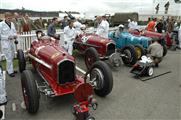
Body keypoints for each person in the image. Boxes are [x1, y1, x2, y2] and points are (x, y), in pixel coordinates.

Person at [0, 12, 17, 77]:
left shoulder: (12, 23)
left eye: (10, 18)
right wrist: (7, 37)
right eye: (8, 18)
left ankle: (10, 69)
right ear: (5, 17)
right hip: (5, 43)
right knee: (8, 57)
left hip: (12, 42)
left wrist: (15, 35)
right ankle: (10, 72)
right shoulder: (1, 24)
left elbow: (14, 31)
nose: (10, 19)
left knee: (12, 56)